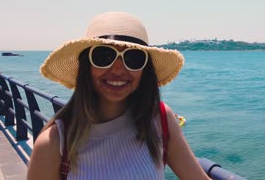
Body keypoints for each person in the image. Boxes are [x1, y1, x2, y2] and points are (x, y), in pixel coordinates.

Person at [27, 12, 210, 180]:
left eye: (133, 58)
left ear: (144, 71)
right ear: (86, 65)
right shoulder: (53, 144)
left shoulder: (159, 120)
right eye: (104, 56)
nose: (118, 70)